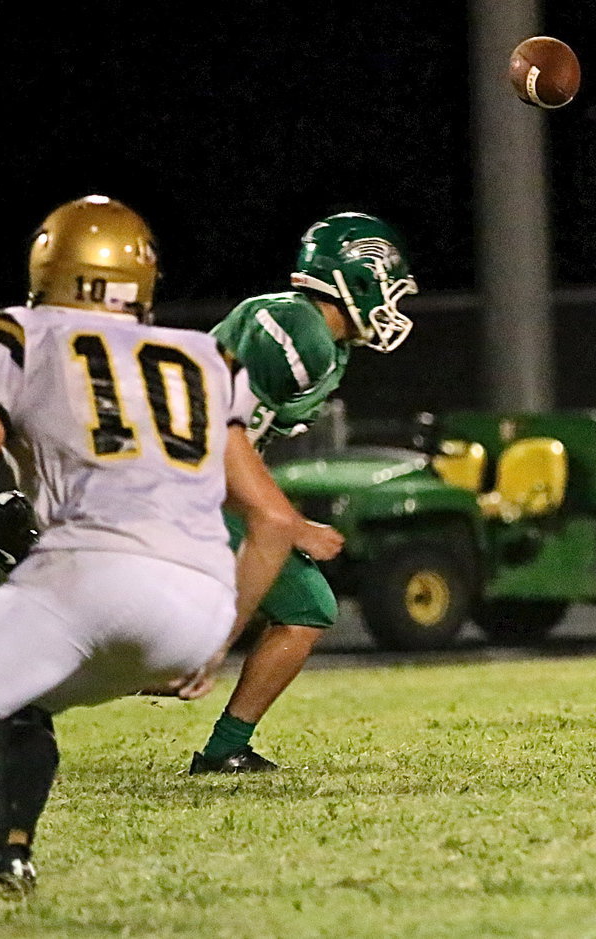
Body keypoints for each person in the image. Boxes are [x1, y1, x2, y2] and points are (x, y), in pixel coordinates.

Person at [0, 195, 343, 890]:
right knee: (23, 688)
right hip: (196, 604)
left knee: (6, 673)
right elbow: (269, 519)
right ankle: (5, 852)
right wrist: (215, 641)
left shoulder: (16, 333)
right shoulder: (201, 355)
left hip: (86, 574)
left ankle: (7, 851)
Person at [184, 212, 418, 774]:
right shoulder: (297, 334)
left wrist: (281, 517)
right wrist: (280, 518)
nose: (391, 303)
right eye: (386, 287)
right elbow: (216, 438)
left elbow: (243, 445)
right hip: (182, 483)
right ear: (354, 280)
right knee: (149, 647)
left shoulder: (323, 341)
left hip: (202, 481)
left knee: (307, 607)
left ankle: (224, 750)